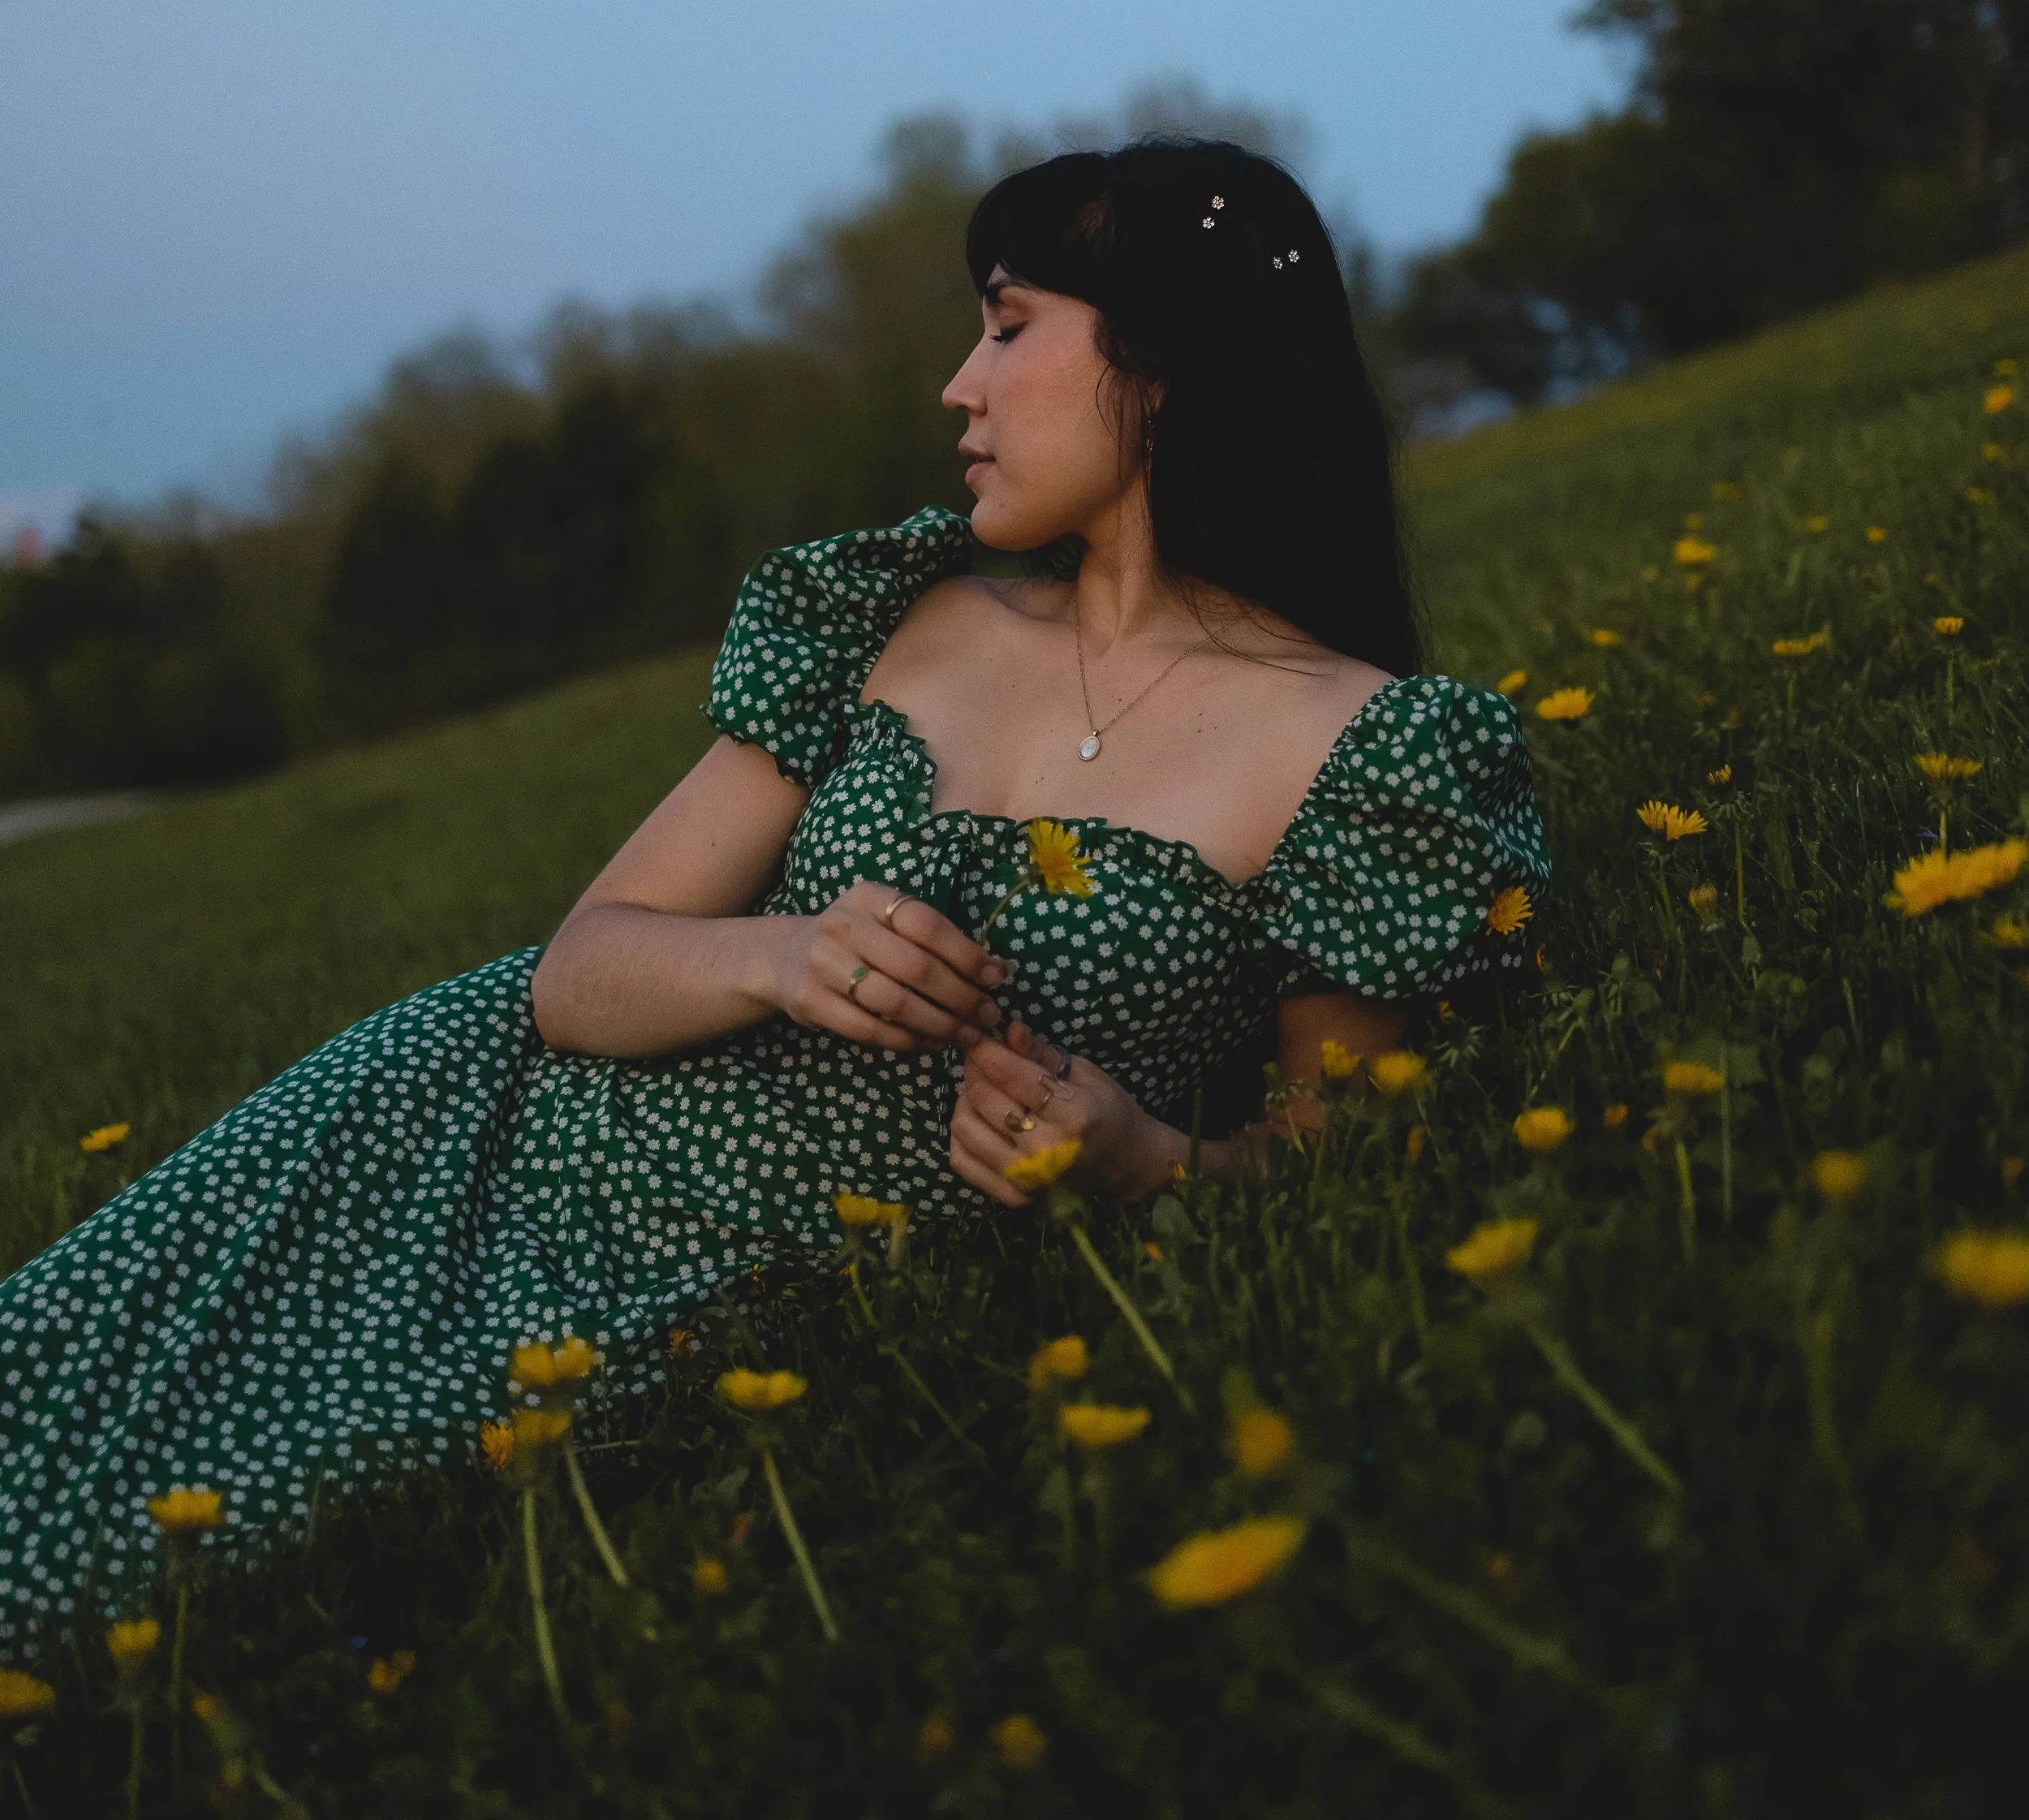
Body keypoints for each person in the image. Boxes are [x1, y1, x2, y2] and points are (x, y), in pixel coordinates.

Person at [0, 140, 1547, 1649]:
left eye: (1008, 327)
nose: (959, 384)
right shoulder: (898, 613)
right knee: (49, 1375)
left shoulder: (1361, 749)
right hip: (457, 1128)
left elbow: (1356, 1149)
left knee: (132, 1566)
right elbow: (576, 970)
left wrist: (1150, 1162)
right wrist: (784, 955)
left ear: (1165, 362)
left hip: (701, 1298)